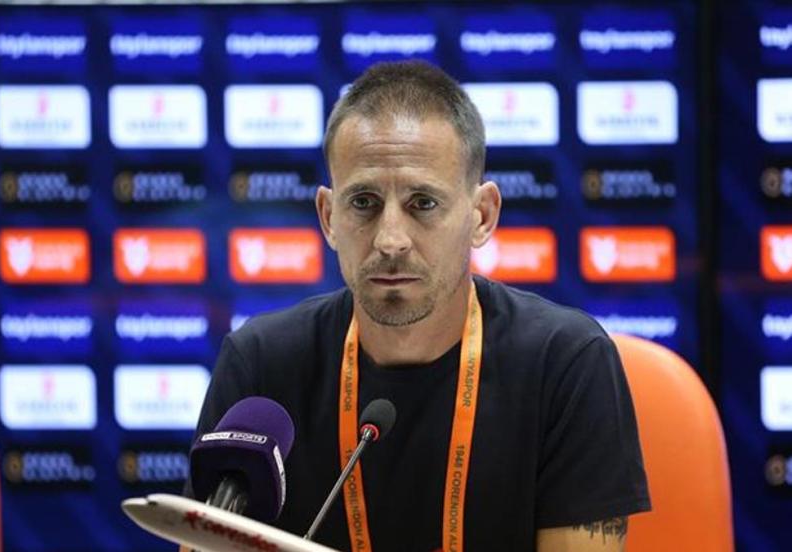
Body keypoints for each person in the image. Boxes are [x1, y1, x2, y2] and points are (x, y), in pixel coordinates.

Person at [186, 60, 650, 552]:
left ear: (482, 216)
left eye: (423, 203)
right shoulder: (259, 363)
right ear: (328, 217)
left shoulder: (567, 363)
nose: (390, 240)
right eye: (363, 202)